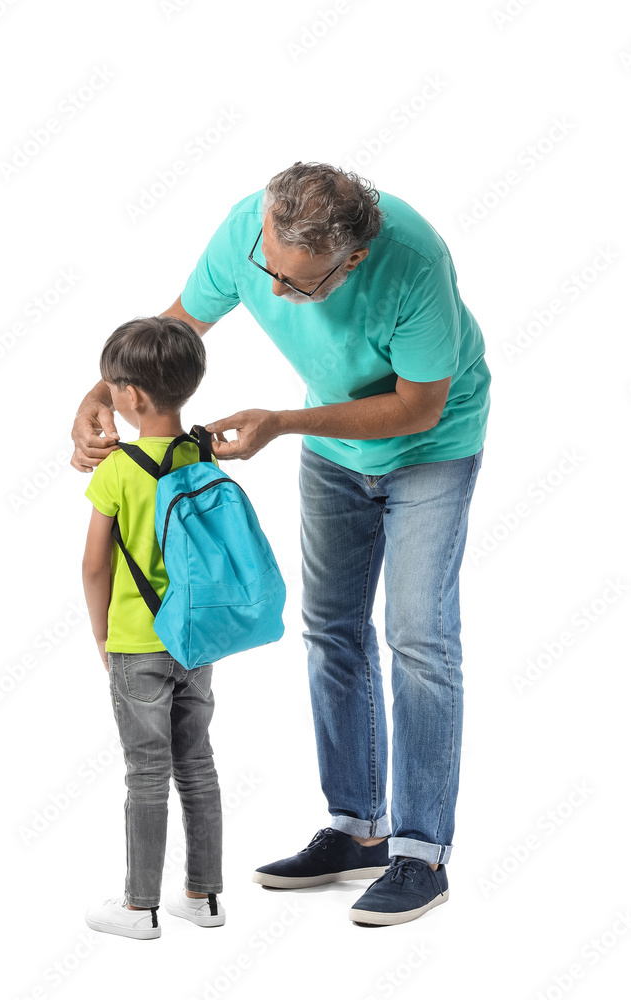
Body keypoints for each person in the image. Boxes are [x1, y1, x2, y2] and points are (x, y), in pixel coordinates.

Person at [72, 161, 491, 927]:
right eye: (269, 268)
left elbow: (418, 407)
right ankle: (357, 828)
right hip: (336, 451)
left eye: (299, 287)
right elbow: (174, 330)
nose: (272, 293)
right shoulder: (251, 230)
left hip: (430, 445)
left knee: (419, 638)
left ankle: (421, 852)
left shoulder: (414, 265)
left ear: (353, 260)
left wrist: (285, 423)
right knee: (331, 628)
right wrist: (99, 395)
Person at [82, 316, 224, 940]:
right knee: (196, 765)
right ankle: (205, 898)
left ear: (132, 396)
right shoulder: (200, 454)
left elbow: (93, 568)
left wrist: (103, 641)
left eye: (110, 386)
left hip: (137, 644)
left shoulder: (116, 470)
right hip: (195, 640)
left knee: (146, 773)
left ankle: (140, 909)